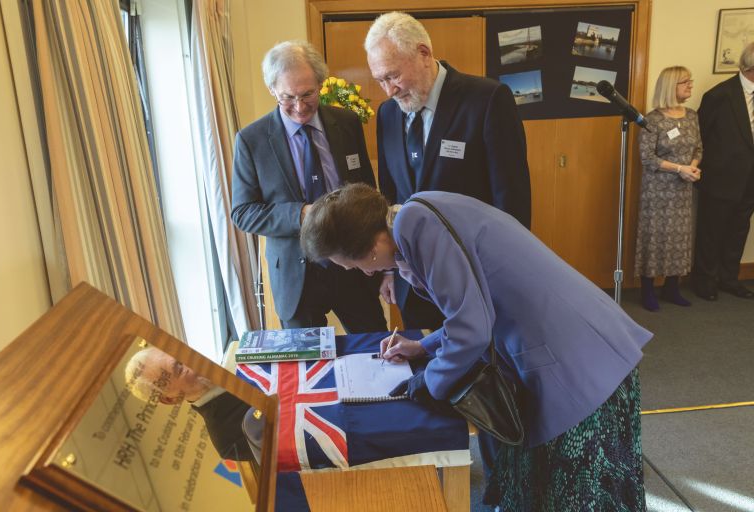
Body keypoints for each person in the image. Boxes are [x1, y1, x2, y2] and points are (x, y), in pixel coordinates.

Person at [300, 183, 652, 510]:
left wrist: (430, 383)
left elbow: (471, 329)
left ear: (371, 245)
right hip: (560, 343)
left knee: (575, 496)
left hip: (575, 357)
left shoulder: (416, 223)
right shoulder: (412, 215)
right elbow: (475, 308)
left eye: (354, 265)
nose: (363, 273)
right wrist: (424, 347)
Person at [364, 12, 531, 330]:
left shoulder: (487, 99)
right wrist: (389, 270)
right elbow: (388, 196)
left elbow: (511, 196)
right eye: (380, 80)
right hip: (414, 281)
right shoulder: (387, 114)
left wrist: (511, 273)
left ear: (423, 54)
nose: (388, 90)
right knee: (426, 365)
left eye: (393, 75)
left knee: (478, 369)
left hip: (473, 274)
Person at [231, 40, 387, 331]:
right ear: (272, 90)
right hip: (296, 274)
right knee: (307, 368)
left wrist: (384, 263)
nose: (300, 107)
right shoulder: (251, 141)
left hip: (352, 264)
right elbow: (243, 212)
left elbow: (368, 190)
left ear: (320, 83)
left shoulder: (347, 122)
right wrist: (302, 214)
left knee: (373, 349)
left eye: (308, 94)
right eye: (287, 97)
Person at [635, 66, 702, 311]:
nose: (690, 86)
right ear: (670, 86)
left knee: (680, 238)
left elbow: (698, 149)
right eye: (685, 82)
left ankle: (672, 288)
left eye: (690, 81)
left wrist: (693, 167)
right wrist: (679, 169)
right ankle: (648, 290)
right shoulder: (652, 120)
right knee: (655, 236)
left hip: (683, 190)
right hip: (657, 191)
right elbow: (647, 158)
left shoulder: (692, 115)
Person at [692, 42, 754, 301]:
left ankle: (729, 279)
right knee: (711, 231)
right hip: (720, 180)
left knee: (739, 230)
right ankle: (704, 281)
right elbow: (700, 136)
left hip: (750, 181)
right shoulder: (719, 95)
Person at [125, 347, 263, 464]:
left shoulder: (227, 348)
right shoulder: (227, 440)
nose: (192, 359)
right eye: (179, 368)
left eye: (181, 352)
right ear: (170, 399)